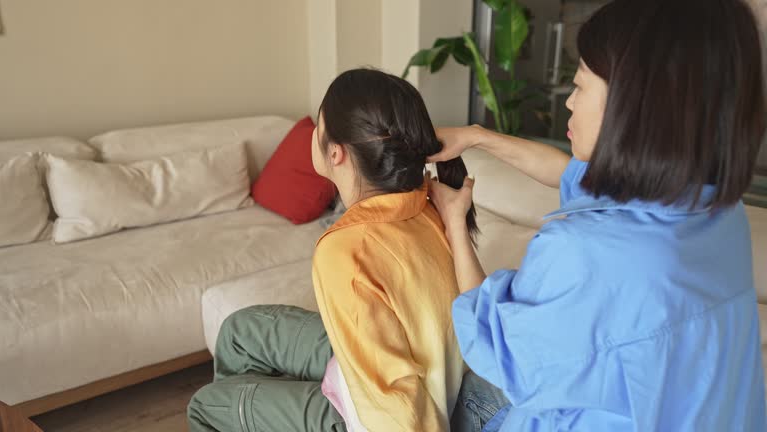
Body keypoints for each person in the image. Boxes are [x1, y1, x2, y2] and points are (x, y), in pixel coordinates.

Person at [428, 0, 767, 430]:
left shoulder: (585, 253)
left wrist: (455, 221)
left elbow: (495, 346)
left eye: (580, 85)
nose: (568, 102)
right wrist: (475, 137)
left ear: (633, 107)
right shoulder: (717, 213)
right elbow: (568, 173)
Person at [187, 68, 476, 431]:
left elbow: (396, 407)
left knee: (205, 406)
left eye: (317, 125)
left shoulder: (345, 249)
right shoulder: (424, 200)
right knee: (239, 331)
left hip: (373, 416)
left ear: (336, 153)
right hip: (389, 364)